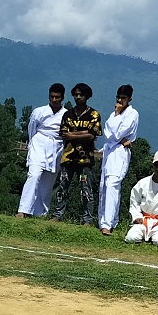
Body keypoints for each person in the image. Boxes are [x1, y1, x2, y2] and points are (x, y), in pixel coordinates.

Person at [49, 84, 100, 224]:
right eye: (76, 94)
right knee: (62, 187)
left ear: (87, 96)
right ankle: (57, 215)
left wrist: (73, 135)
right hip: (68, 157)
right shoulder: (68, 114)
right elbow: (64, 134)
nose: (78, 97)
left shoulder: (93, 115)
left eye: (81, 95)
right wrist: (81, 134)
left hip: (85, 159)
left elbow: (93, 134)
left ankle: (87, 219)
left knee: (85, 189)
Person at [17, 83, 67, 217]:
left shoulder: (66, 114)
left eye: (57, 97)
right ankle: (23, 210)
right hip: (39, 144)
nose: (54, 100)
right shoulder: (39, 111)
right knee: (34, 175)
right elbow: (32, 129)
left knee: (47, 183)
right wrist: (33, 144)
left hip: (56, 147)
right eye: (52, 97)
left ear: (62, 98)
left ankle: (40, 213)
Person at [98, 84, 139, 234]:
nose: (120, 100)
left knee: (112, 184)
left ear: (130, 99)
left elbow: (119, 133)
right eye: (118, 97)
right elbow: (108, 134)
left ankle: (107, 224)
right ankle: (105, 220)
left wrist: (119, 138)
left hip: (121, 153)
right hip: (110, 152)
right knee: (104, 186)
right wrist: (116, 115)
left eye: (123, 98)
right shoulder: (113, 114)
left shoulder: (133, 114)